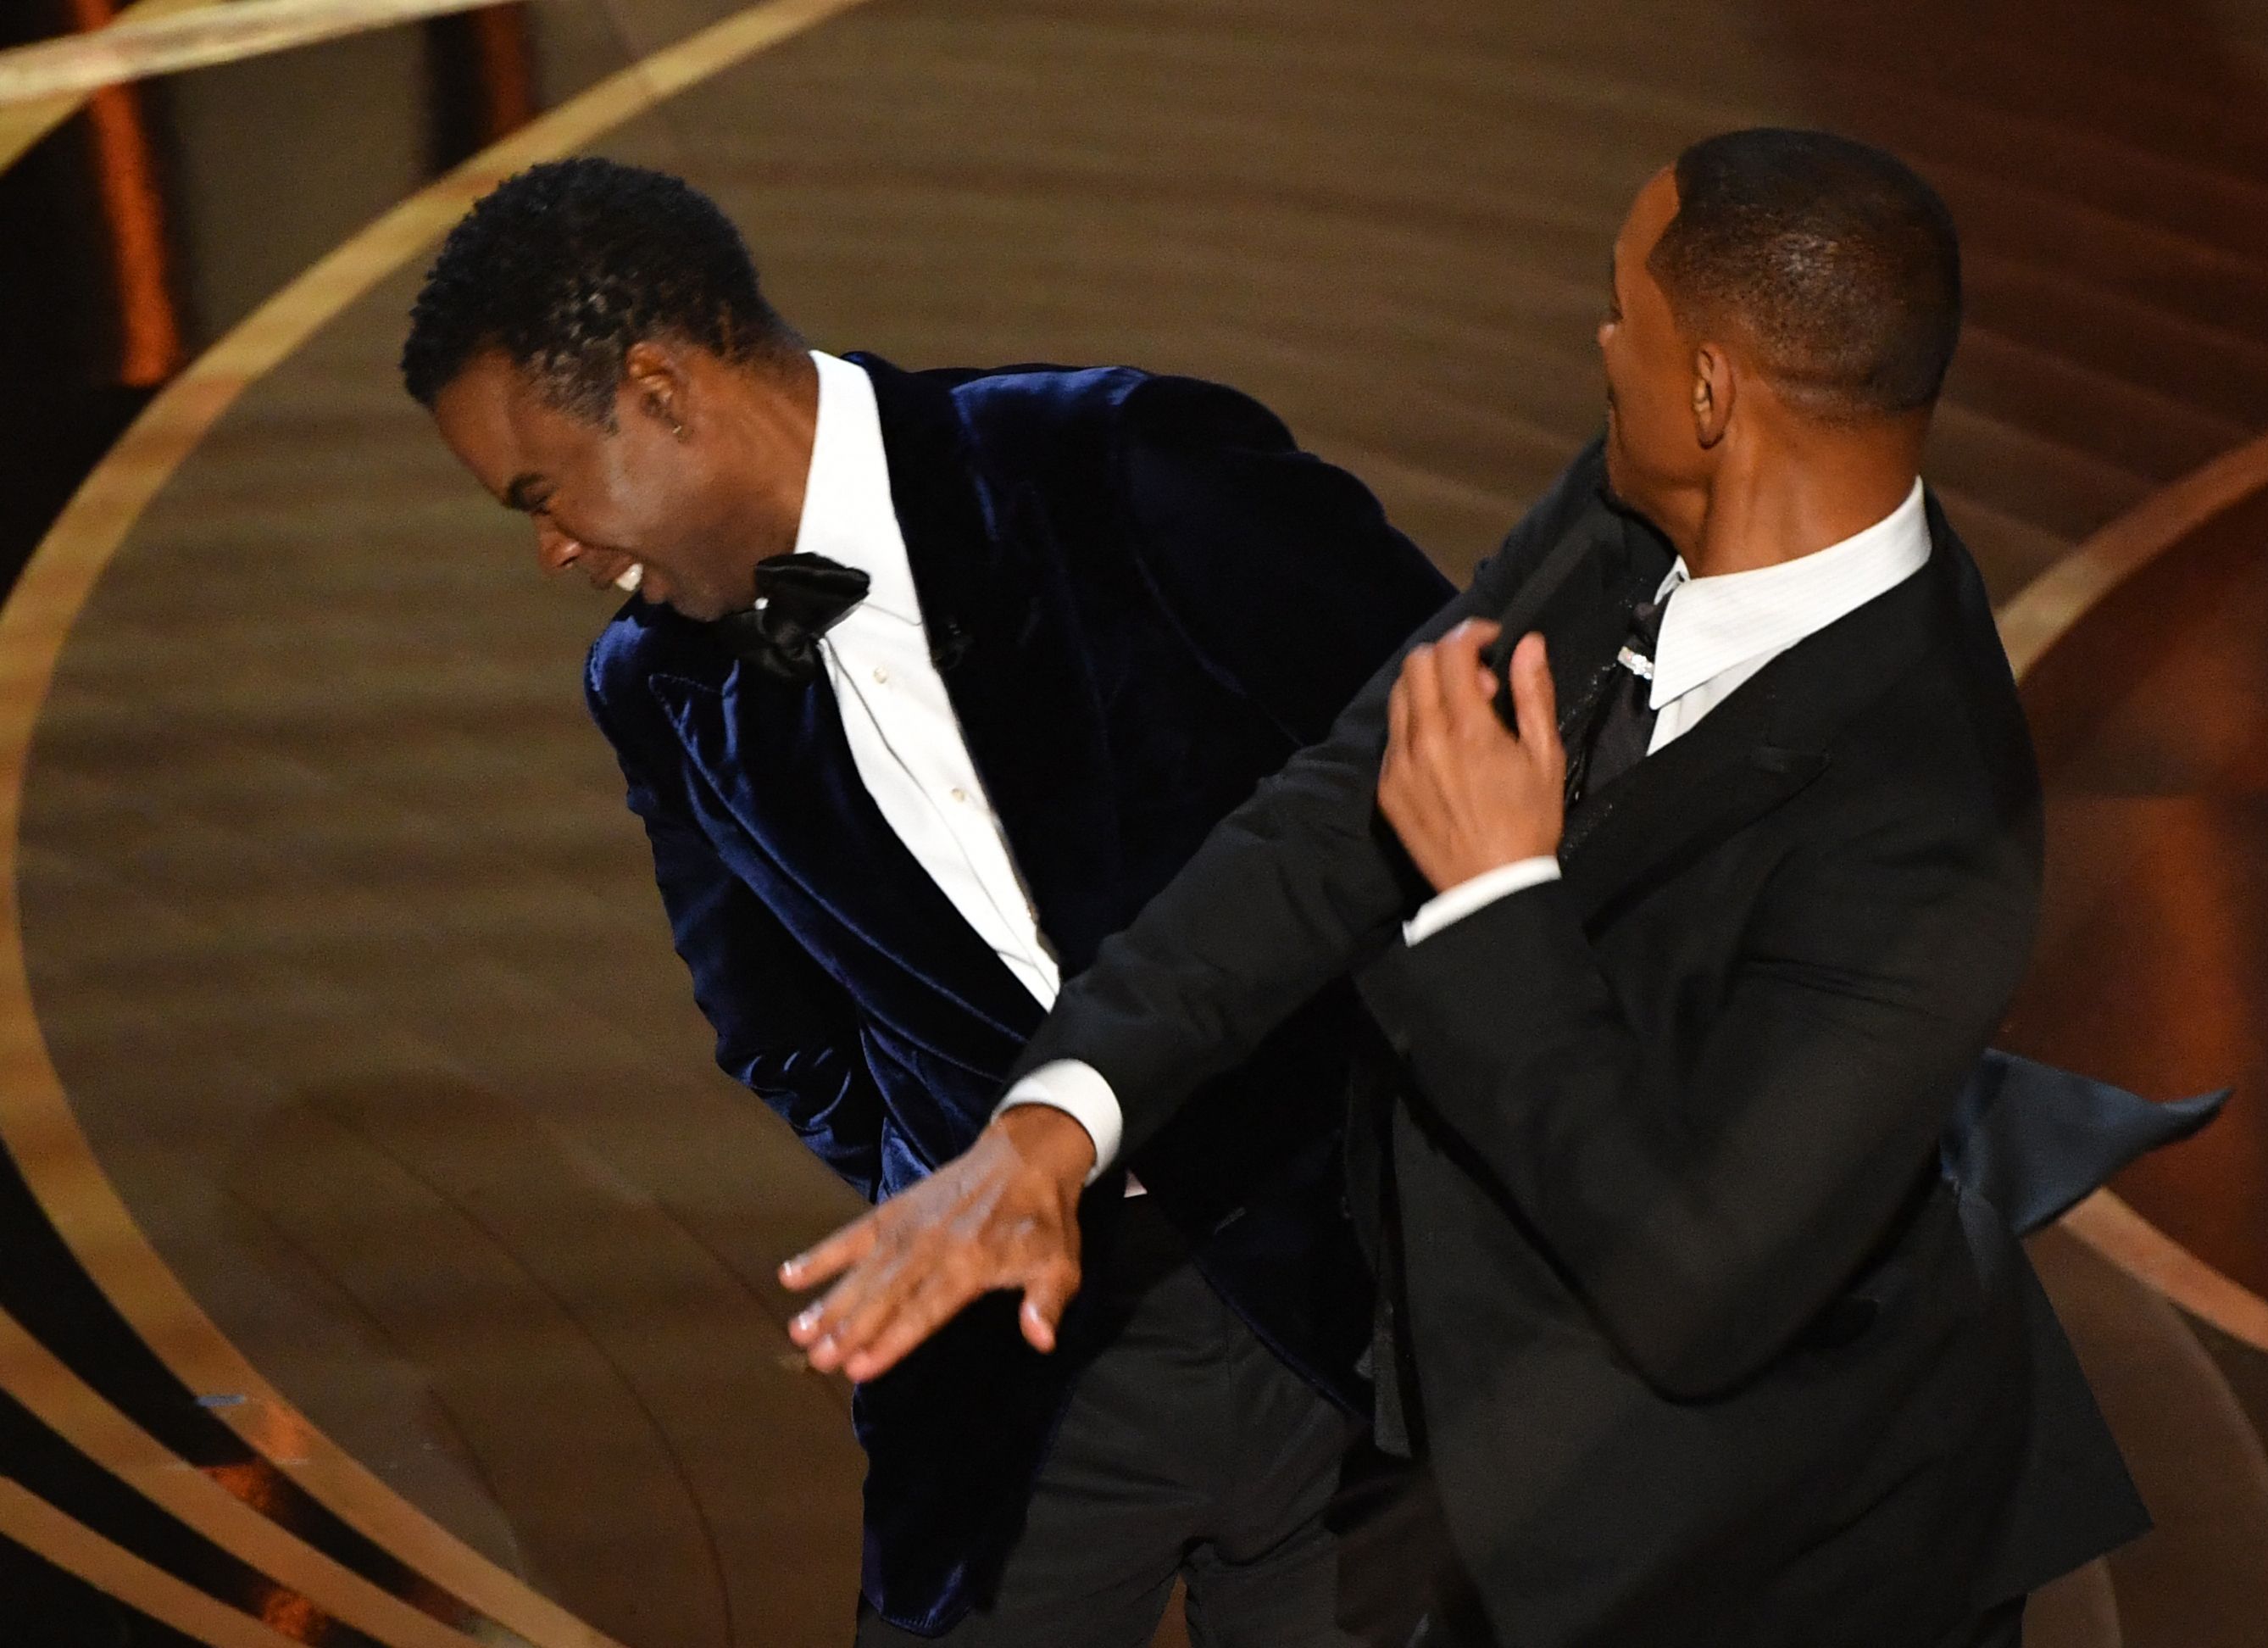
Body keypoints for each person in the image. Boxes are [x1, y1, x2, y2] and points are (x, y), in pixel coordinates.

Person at [781, 131, 2187, 1647]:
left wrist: (1498, 896)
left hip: (1778, 1564)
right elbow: (1338, 813)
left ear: (1713, 390)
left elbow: (1697, 1287)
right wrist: (1062, 1118)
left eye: (1618, 313)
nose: (1595, 346)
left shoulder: (1932, 819)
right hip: (1493, 1482)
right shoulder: (1631, 517)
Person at [399, 158, 1459, 1645]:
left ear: (658, 388)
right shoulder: (657, 690)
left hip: (1350, 1326)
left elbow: (1467, 765)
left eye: (543, 491)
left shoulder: (1126, 466)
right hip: (1011, 1390)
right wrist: (952, 1172)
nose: (551, 550)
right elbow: (777, 1028)